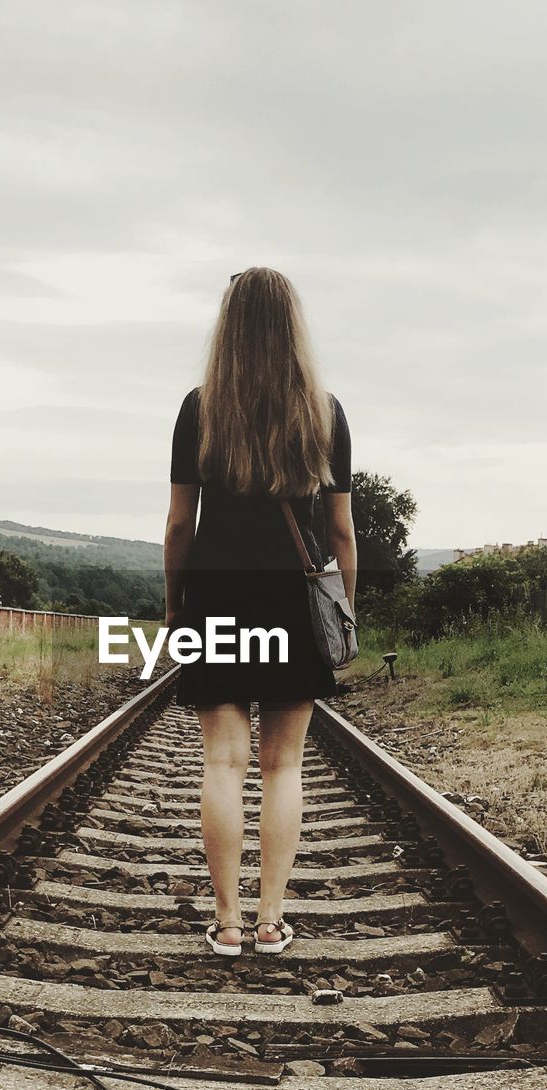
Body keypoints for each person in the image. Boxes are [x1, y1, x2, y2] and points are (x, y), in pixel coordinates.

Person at [162, 266, 356, 957]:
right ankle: (271, 920)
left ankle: (228, 922)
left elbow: (181, 525)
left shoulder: (200, 408)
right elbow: (339, 534)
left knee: (223, 760)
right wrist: (345, 613)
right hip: (289, 600)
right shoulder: (324, 413)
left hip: (217, 592)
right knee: (282, 766)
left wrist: (176, 605)